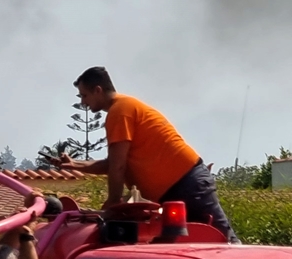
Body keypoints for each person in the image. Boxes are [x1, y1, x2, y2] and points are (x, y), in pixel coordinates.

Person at [70, 67, 236, 241]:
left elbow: (118, 166)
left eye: (84, 96)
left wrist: (112, 204)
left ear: (98, 90)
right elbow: (113, 164)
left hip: (187, 183)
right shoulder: (123, 108)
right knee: (180, 246)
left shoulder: (120, 111)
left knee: (222, 241)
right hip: (175, 191)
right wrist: (74, 164)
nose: (83, 103)